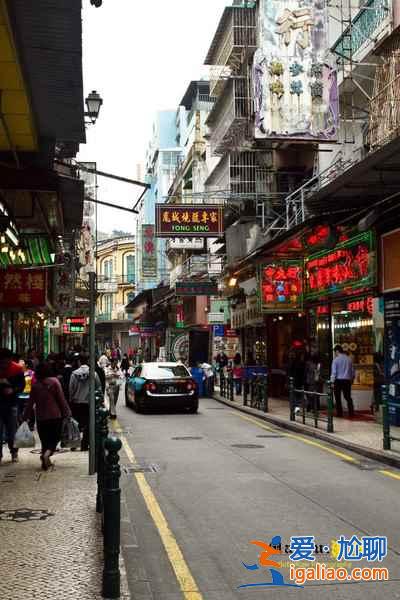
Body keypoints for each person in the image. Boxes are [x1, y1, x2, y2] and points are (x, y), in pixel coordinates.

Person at [23, 362, 71, 470]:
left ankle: (45, 462)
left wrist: (25, 416)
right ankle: (46, 455)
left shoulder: (35, 385)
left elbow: (30, 403)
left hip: (41, 418)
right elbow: (61, 399)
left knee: (45, 440)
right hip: (55, 416)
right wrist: (67, 412)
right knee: (55, 438)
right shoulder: (54, 382)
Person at [69, 353, 102, 451]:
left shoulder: (74, 374)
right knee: (88, 424)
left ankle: (74, 444)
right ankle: (84, 444)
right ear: (88, 361)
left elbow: (71, 389)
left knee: (76, 424)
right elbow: (98, 387)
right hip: (89, 403)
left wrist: (71, 400)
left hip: (77, 403)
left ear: (79, 361)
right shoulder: (93, 373)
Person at [0, 348, 25, 464]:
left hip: (12, 404)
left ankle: (14, 452)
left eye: (6, 361)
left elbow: (22, 385)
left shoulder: (17, 369)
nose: (4, 364)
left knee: (12, 430)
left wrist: (12, 390)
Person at [331, 345, 355, 417]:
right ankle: (351, 412)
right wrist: (352, 379)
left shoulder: (335, 360)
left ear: (337, 351)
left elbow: (334, 372)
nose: (335, 353)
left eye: (335, 352)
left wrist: (332, 382)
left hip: (338, 381)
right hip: (347, 381)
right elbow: (353, 371)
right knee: (348, 397)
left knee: (337, 397)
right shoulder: (349, 359)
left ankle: (339, 413)